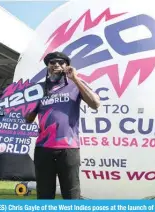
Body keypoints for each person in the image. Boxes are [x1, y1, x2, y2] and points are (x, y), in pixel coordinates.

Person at [25, 52, 100, 199]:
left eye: (61, 62)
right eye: (52, 63)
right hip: (43, 150)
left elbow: (95, 103)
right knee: (44, 196)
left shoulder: (75, 85)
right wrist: (28, 102)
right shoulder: (39, 89)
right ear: (48, 67)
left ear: (67, 67)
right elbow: (28, 119)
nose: (56, 65)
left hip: (68, 149)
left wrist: (75, 79)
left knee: (71, 196)